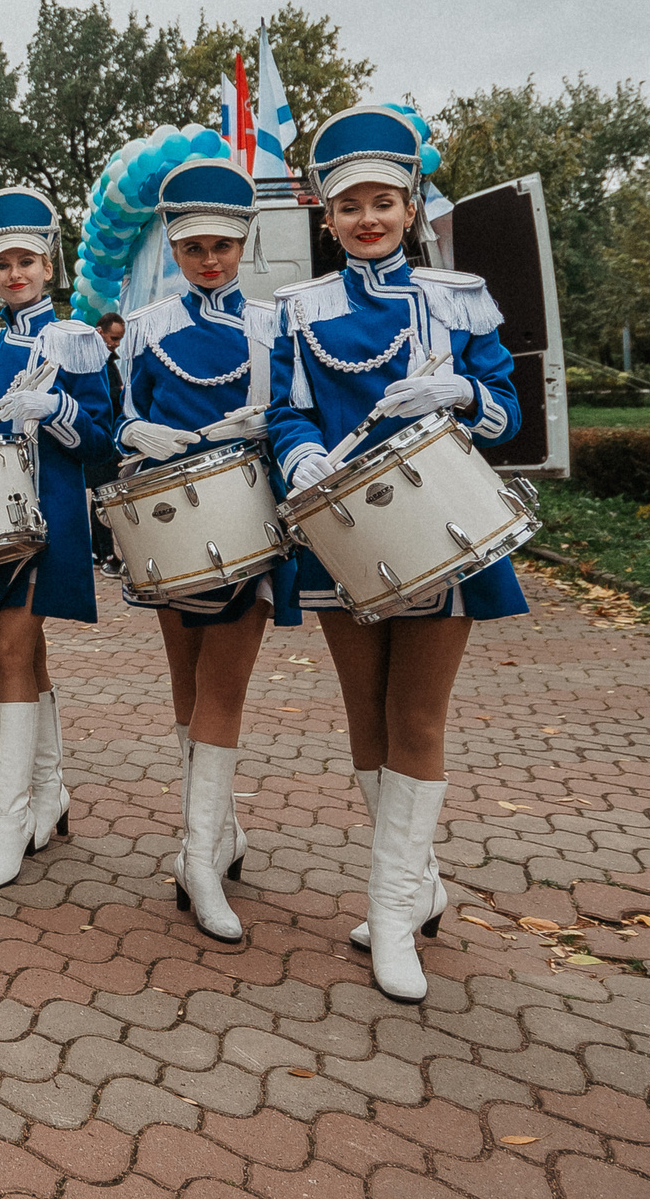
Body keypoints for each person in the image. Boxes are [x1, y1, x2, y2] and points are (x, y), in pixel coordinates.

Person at [267, 105, 525, 1005]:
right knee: (365, 718)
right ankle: (416, 881)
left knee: (416, 719)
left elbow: (507, 413)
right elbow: (287, 411)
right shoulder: (299, 311)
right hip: (340, 533)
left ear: (410, 208)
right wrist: (298, 452)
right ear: (326, 217)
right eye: (350, 206)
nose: (368, 219)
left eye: (384, 201)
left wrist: (459, 387)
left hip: (442, 533)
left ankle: (392, 915)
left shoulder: (458, 296)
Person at [109, 157, 284, 942]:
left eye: (222, 245)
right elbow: (117, 415)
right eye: (192, 248)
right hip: (171, 523)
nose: (208, 260)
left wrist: (273, 423)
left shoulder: (275, 323)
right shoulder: (145, 326)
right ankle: (219, 831)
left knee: (224, 685)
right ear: (174, 251)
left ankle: (198, 859)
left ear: (242, 243)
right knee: (186, 683)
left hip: (250, 517)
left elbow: (307, 413)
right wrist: (129, 431)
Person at [0, 187, 116, 890]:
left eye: (27, 260)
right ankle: (50, 795)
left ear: (51, 267)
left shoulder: (76, 340)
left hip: (48, 514)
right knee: (28, 647)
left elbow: (102, 443)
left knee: (9, 644)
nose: (15, 272)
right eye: (3, 263)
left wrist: (57, 407)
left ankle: (8, 819)